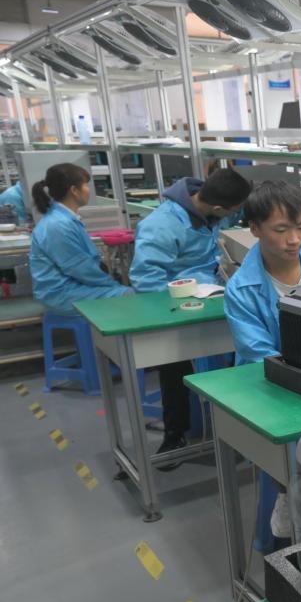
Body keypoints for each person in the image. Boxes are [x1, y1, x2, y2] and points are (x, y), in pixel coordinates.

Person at [225, 180, 301, 547]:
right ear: (255, 229)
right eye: (281, 230)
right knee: (294, 457)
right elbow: (258, 354)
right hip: (274, 389)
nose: (294, 239)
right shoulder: (241, 289)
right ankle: (289, 507)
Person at [130, 167, 252, 468]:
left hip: (215, 296)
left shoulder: (211, 208)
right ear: (219, 208)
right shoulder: (161, 226)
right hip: (177, 305)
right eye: (233, 212)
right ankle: (175, 434)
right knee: (174, 361)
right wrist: (186, 295)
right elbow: (146, 280)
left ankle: (240, 427)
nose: (234, 216)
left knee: (243, 351)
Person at [29, 163, 131, 314]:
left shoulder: (65, 219)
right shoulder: (58, 225)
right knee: (131, 296)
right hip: (62, 294)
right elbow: (80, 268)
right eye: (86, 185)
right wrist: (112, 285)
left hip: (73, 286)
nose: (89, 190)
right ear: (74, 190)